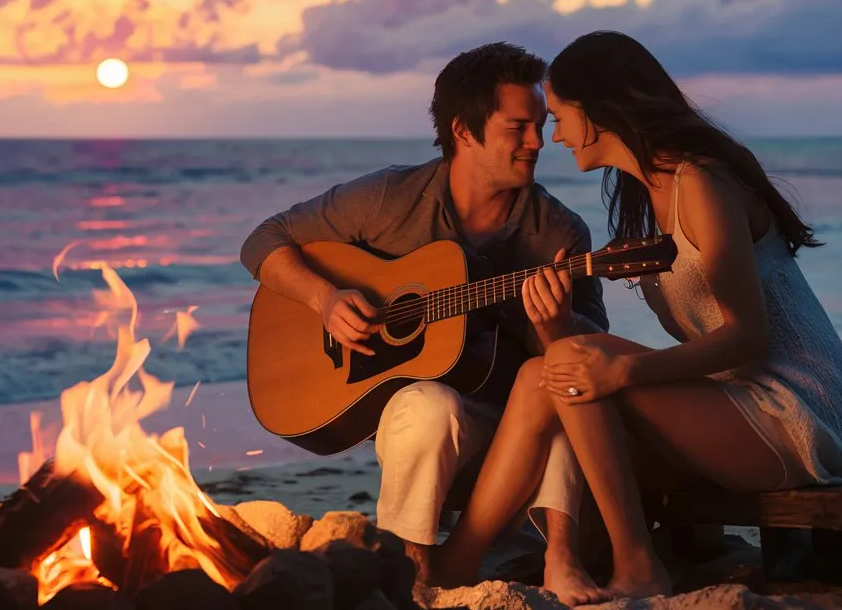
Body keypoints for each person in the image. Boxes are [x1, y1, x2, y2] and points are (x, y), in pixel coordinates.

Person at [430, 30, 842, 599]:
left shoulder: (702, 183)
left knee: (569, 363)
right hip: (732, 404)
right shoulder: (653, 192)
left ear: (601, 110)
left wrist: (623, 372)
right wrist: (555, 328)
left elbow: (748, 338)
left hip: (797, 414)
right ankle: (461, 561)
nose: (553, 136)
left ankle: (636, 564)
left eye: (560, 116)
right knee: (544, 371)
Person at [239, 42, 616, 604]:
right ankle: (411, 568)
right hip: (428, 427)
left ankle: (561, 558)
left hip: (515, 422)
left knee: (559, 379)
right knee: (426, 402)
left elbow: (592, 356)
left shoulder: (558, 233)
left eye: (540, 126)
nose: (538, 142)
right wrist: (326, 299)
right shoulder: (392, 198)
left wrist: (553, 324)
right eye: (518, 128)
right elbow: (263, 242)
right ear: (464, 130)